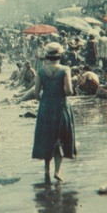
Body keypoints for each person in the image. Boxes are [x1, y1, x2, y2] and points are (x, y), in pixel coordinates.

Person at [32, 42, 76, 184]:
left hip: (46, 107)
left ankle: (46, 170)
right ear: (60, 55)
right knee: (60, 140)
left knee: (47, 138)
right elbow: (69, 91)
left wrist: (45, 98)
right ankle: (57, 172)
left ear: (47, 56)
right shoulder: (65, 69)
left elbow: (36, 93)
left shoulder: (41, 71)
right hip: (61, 106)